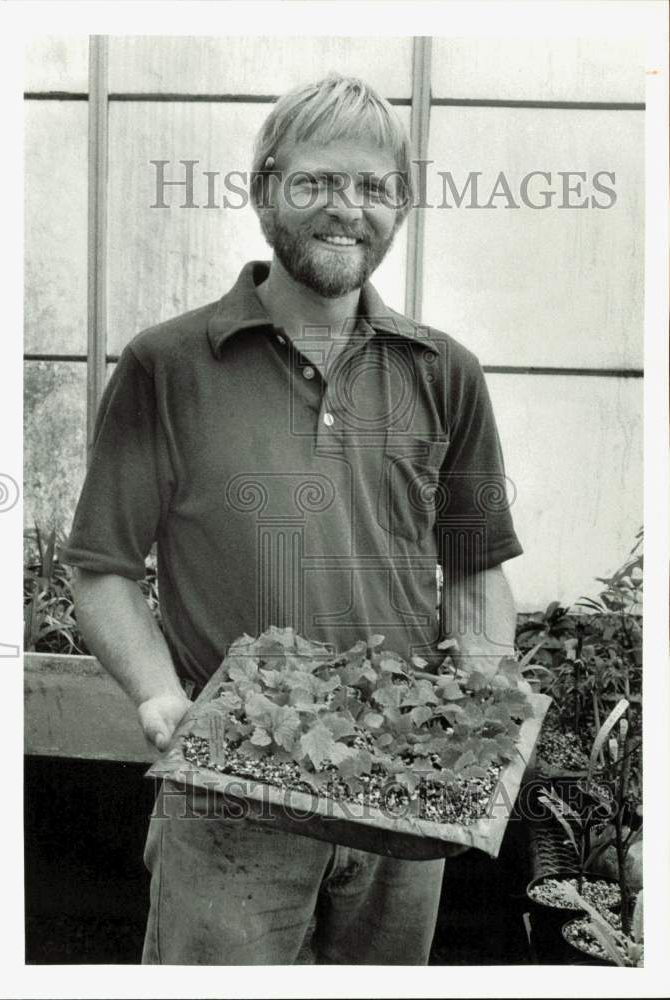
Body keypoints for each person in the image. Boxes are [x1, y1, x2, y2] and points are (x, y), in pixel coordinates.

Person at [62, 74, 523, 965]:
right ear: (264, 187)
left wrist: (483, 702)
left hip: (401, 796)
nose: (346, 209)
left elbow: (473, 568)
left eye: (375, 187)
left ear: (402, 204)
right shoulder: (169, 365)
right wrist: (162, 699)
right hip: (230, 789)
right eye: (315, 182)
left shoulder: (445, 372)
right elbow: (102, 567)